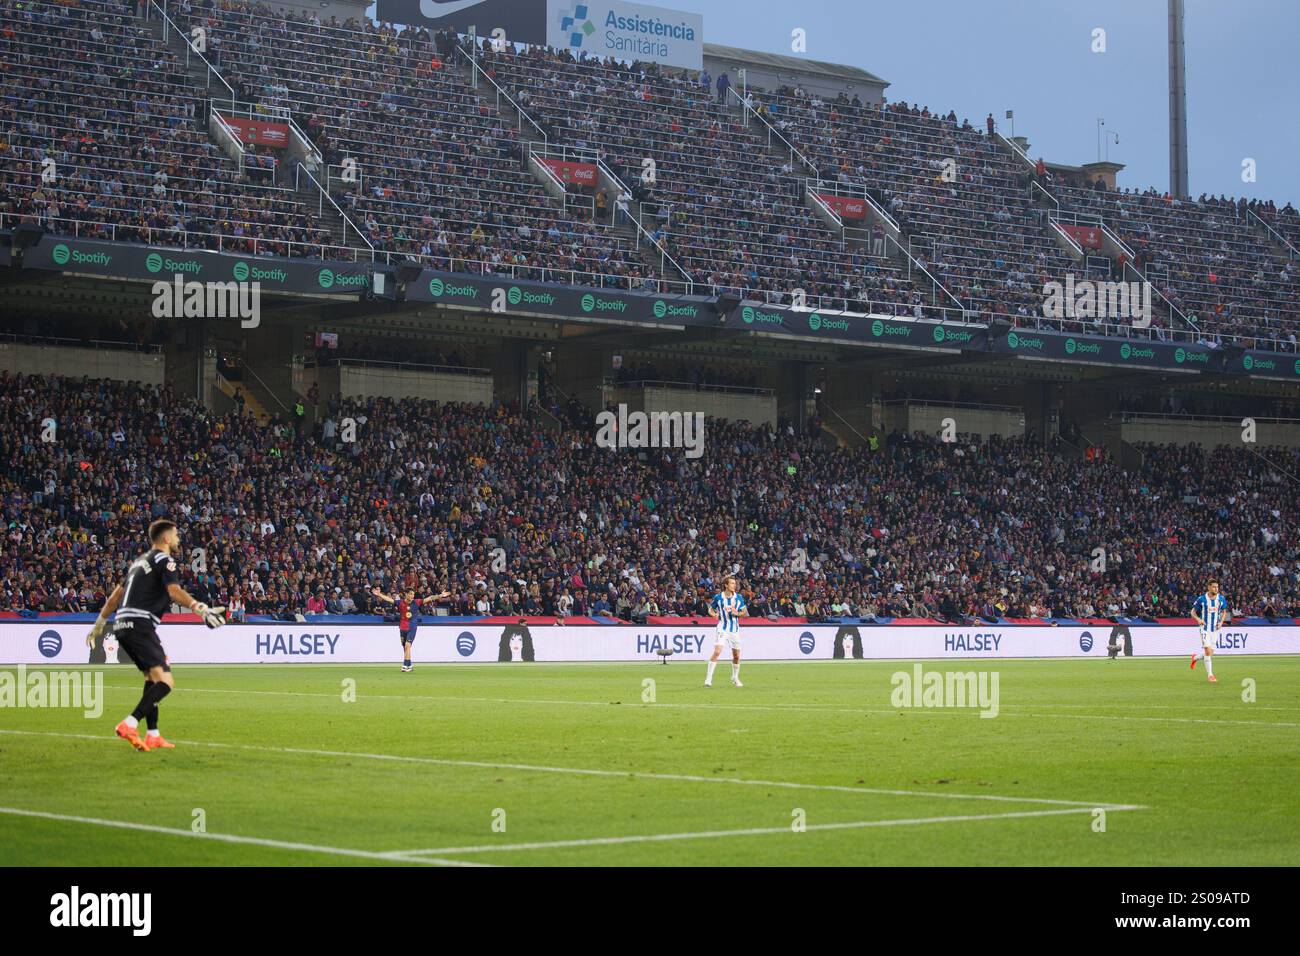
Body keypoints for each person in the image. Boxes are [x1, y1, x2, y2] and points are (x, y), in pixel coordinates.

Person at [85, 520, 226, 751]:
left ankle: (153, 734)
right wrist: (199, 608)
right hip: (140, 625)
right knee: (166, 681)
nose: (178, 539)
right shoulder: (164, 560)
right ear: (166, 539)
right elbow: (173, 591)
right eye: (176, 535)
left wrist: (99, 624)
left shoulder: (137, 563)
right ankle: (130, 723)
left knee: (152, 678)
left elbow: (115, 598)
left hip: (122, 625)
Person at [372, 585, 450, 672]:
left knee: (407, 645)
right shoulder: (400, 603)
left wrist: (440, 595)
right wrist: (379, 595)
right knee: (405, 648)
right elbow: (389, 599)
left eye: (413, 594)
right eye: (410, 594)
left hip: (412, 627)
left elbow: (429, 598)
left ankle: (405, 665)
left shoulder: (417, 602)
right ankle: (409, 665)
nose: (412, 596)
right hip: (402, 628)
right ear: (406, 594)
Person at [704, 574, 748, 687]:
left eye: (735, 583)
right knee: (717, 651)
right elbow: (710, 609)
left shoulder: (739, 598)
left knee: (736, 656)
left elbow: (744, 612)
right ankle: (708, 679)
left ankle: (735, 677)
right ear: (726, 585)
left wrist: (737, 613)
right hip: (722, 628)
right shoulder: (719, 597)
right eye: (732, 583)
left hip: (734, 630)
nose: (735, 585)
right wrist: (714, 615)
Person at [1190, 579, 1227, 683]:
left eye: (1217, 587)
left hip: (1215, 629)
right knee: (1207, 651)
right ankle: (1210, 675)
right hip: (1204, 628)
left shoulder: (1221, 599)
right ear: (1209, 587)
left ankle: (1195, 658)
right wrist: (1199, 619)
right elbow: (1192, 612)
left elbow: (1224, 612)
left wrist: (1221, 622)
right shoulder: (1202, 599)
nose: (1216, 589)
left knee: (1210, 653)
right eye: (1214, 587)